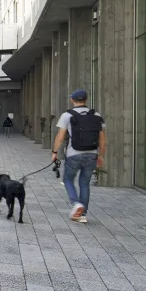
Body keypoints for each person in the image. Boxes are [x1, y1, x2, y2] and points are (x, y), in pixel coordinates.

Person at [52, 89, 106, 223]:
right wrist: (101, 156)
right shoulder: (96, 115)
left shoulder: (67, 115)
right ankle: (82, 215)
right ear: (86, 100)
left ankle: (76, 204)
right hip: (92, 153)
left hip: (73, 154)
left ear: (72, 100)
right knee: (84, 183)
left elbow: (60, 136)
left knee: (68, 179)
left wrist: (54, 152)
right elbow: (102, 139)